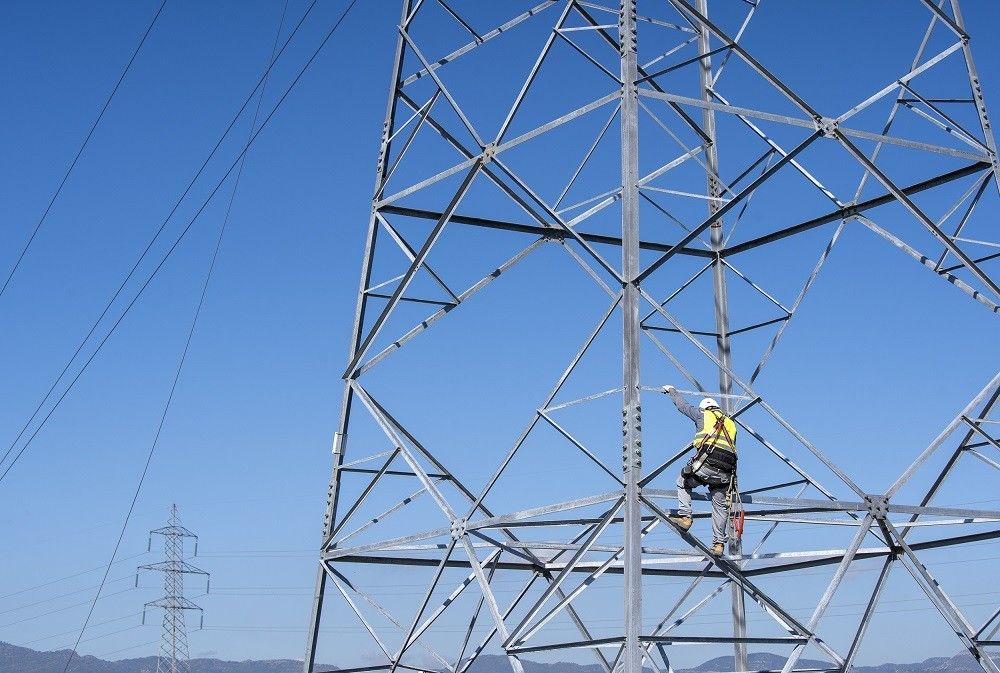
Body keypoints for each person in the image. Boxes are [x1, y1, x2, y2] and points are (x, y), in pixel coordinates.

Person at [662, 385, 737, 556]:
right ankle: (718, 544)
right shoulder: (731, 424)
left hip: (706, 465)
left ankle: (685, 517)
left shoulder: (702, 414)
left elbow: (683, 406)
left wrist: (672, 391)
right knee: (720, 506)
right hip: (726, 473)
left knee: (682, 481)